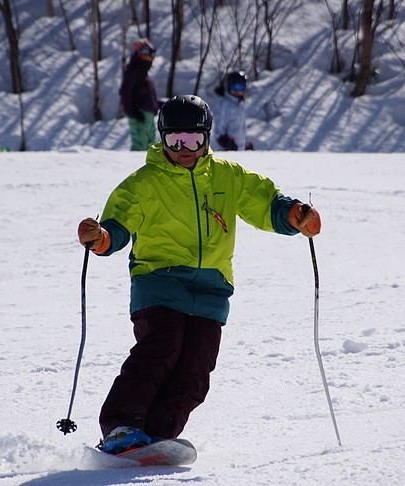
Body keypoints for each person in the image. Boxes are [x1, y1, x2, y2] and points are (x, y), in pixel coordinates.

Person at [77, 95, 321, 455]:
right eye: (175, 140)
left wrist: (293, 215)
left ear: (207, 139)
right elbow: (118, 224)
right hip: (159, 280)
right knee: (162, 347)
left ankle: (158, 435)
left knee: (196, 368)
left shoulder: (228, 176)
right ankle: (121, 427)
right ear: (162, 138)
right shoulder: (144, 183)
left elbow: (264, 202)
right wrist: (102, 238)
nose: (184, 148)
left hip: (211, 288)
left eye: (193, 140)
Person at [119, 38, 160, 151]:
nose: (152, 56)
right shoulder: (133, 71)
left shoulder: (144, 74)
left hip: (148, 116)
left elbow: (146, 97)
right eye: (149, 52)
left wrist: (158, 104)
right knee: (140, 145)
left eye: (153, 53)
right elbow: (125, 92)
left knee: (150, 146)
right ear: (141, 54)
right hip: (139, 115)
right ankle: (135, 166)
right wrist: (132, 111)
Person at [212, 71, 252, 151]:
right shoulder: (224, 104)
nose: (239, 91)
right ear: (229, 87)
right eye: (235, 87)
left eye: (242, 87)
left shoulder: (240, 106)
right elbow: (218, 125)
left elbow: (240, 128)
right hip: (226, 150)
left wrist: (246, 144)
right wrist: (225, 142)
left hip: (239, 150)